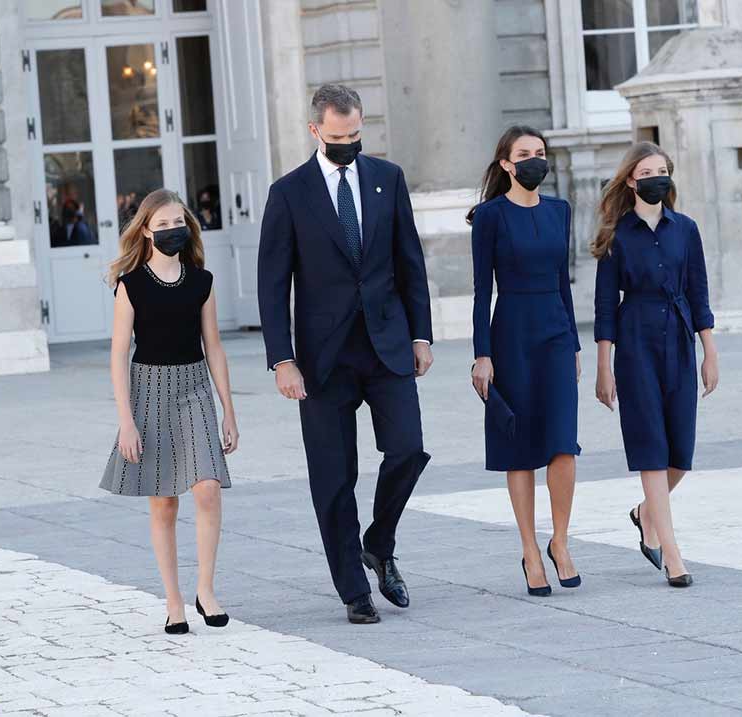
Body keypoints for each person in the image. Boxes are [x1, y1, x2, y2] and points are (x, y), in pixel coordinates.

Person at [258, 84, 433, 625]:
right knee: (333, 476)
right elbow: (272, 283)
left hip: (387, 344)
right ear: (316, 131)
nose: (348, 144)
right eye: (338, 137)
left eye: (356, 135)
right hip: (321, 359)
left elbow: (410, 262)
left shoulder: (388, 179)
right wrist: (281, 359)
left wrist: (421, 335)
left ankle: (378, 543)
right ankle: (354, 589)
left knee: (408, 449)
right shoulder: (288, 193)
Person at [100, 188, 239, 634]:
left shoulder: (202, 281)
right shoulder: (131, 285)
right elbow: (119, 353)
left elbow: (214, 347)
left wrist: (228, 411)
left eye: (178, 223)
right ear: (145, 231)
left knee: (208, 489)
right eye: (161, 225)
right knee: (163, 502)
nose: (171, 231)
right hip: (148, 392)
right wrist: (126, 420)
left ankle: (206, 589)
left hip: (194, 387)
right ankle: (174, 600)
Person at [592, 142, 718, 588]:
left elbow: (699, 293)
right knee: (650, 446)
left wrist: (710, 352)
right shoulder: (617, 235)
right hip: (635, 341)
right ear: (631, 180)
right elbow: (605, 305)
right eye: (647, 171)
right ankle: (673, 553)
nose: (656, 178)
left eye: (662, 170)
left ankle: (646, 513)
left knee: (680, 453)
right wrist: (603, 366)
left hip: (680, 339)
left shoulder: (686, 229)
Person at [468, 126, 583, 597]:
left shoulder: (560, 210)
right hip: (511, 334)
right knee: (518, 446)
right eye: (524, 154)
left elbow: (564, 283)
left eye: (540, 153)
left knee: (563, 444)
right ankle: (530, 551)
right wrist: (482, 355)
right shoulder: (491, 217)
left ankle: (560, 541)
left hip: (555, 333)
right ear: (506, 165)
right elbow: (481, 292)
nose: (535, 160)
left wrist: (575, 343)